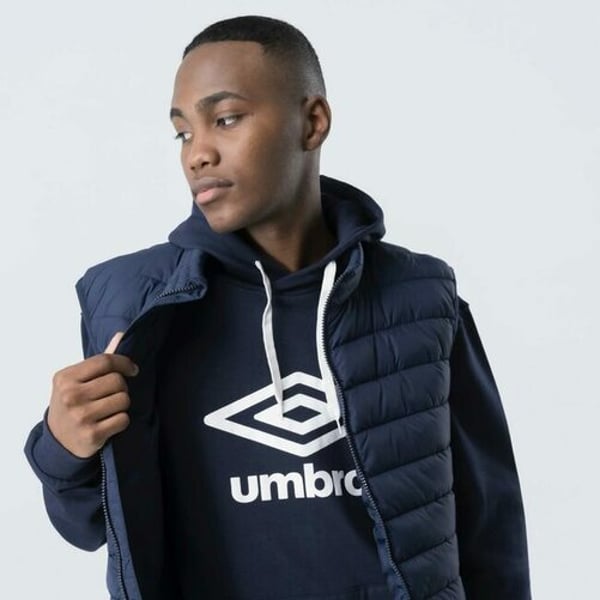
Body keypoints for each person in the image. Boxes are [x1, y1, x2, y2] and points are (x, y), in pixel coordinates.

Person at [24, 15, 530, 600]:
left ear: (312, 122)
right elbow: (88, 526)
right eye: (183, 133)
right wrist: (62, 447)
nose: (198, 154)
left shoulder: (418, 297)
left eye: (226, 119)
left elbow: (490, 527)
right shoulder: (132, 302)